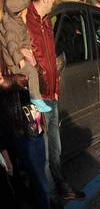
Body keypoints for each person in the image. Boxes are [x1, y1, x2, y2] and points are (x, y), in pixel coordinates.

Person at [26, 0, 85, 201]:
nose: (54, 0)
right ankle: (49, 196)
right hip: (37, 97)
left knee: (56, 148)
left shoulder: (45, 21)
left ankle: (61, 188)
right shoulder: (26, 21)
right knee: (45, 153)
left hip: (52, 94)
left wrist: (57, 86)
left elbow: (51, 57)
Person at [0, 59, 49, 208]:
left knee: (40, 176)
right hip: (17, 131)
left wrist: (35, 66)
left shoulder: (22, 54)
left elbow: (42, 87)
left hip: (35, 124)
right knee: (34, 182)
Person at [0, 0, 50, 113]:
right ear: (19, 11)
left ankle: (36, 98)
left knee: (33, 71)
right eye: (26, 10)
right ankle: (36, 99)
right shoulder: (11, 27)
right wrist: (21, 60)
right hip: (15, 66)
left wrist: (32, 58)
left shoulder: (17, 23)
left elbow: (21, 41)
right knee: (32, 72)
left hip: (19, 108)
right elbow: (12, 44)